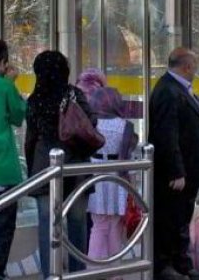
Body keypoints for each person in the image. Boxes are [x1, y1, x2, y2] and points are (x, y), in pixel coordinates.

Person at [25, 50, 95, 276]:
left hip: (45, 167)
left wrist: (32, 172)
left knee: (47, 226)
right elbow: (91, 123)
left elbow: (31, 139)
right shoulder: (74, 94)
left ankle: (50, 274)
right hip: (76, 167)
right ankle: (77, 273)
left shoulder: (35, 99)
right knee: (77, 225)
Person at [149, 48, 199, 280]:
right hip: (175, 173)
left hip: (190, 169)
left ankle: (181, 263)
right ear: (186, 66)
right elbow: (166, 134)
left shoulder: (181, 90)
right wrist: (176, 171)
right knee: (169, 219)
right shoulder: (168, 90)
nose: (196, 71)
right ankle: (164, 266)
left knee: (181, 218)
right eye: (194, 66)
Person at [86, 87, 138, 266]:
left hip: (94, 174)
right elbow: (127, 156)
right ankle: (114, 272)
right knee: (116, 226)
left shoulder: (91, 122)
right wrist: (132, 184)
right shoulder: (126, 126)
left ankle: (93, 269)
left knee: (98, 225)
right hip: (117, 174)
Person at [0, 40, 26, 279]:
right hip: (3, 168)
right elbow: (18, 116)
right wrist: (10, 83)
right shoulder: (5, 87)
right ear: (3, 63)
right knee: (3, 228)